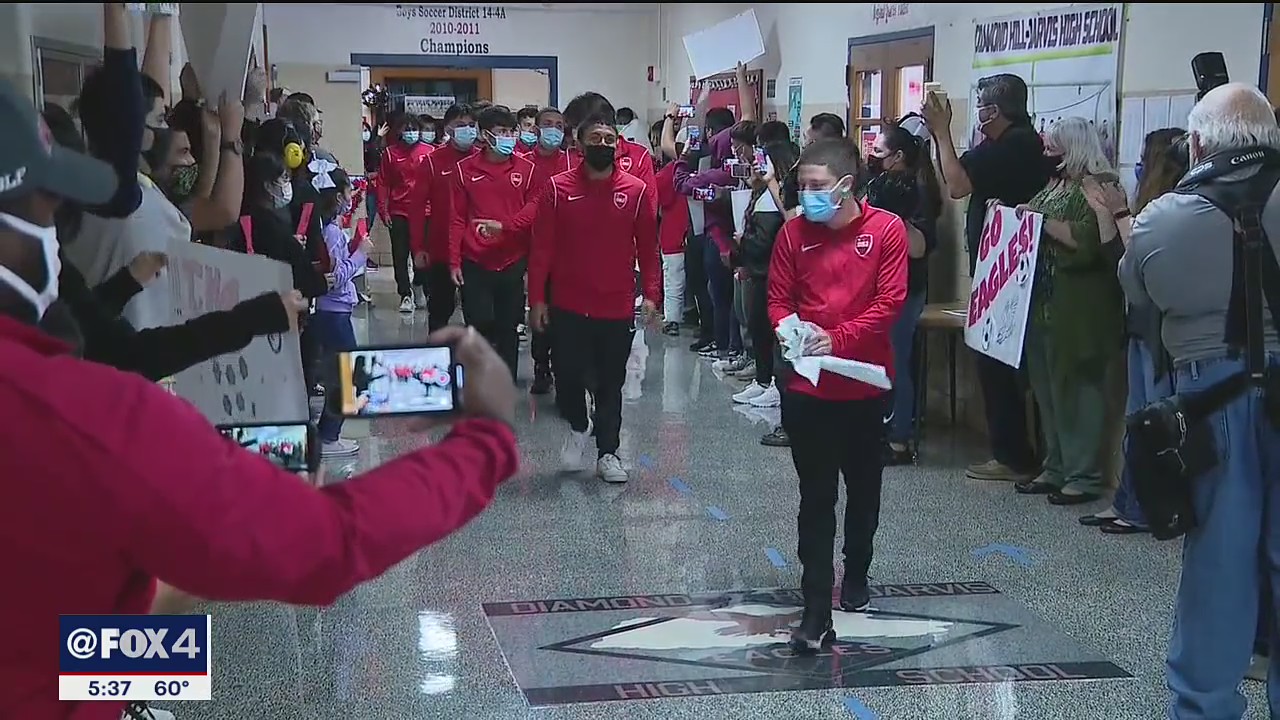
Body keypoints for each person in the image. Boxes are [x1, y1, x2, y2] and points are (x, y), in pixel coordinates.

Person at [0, 73, 522, 720]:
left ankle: (134, 687)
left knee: (150, 608)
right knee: (161, 595)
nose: (58, 240)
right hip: (51, 682)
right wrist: (487, 441)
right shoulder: (81, 416)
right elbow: (325, 546)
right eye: (48, 215)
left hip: (49, 661)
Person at [1119, 83, 1280, 717]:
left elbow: (1137, 300)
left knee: (1219, 564)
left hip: (1211, 409)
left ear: (1198, 144)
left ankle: (1205, 706)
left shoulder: (1164, 218)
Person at [766, 138, 907, 652]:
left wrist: (838, 338)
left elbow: (889, 303)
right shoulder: (793, 234)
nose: (806, 195)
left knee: (864, 487)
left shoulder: (885, 231)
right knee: (816, 495)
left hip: (866, 384)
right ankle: (815, 607)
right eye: (802, 186)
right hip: (808, 388)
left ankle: (857, 571)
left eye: (817, 186)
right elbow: (778, 298)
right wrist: (789, 331)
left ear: (847, 186)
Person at [923, 73, 1048, 482]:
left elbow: (956, 184)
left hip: (1011, 274)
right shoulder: (1003, 144)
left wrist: (941, 132)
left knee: (1000, 366)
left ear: (993, 110)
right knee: (999, 365)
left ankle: (1014, 456)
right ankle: (1016, 452)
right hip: (1000, 268)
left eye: (980, 105)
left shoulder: (1016, 145)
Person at [528, 112, 660, 484]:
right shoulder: (557, 188)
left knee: (609, 383)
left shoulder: (635, 191)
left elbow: (649, 249)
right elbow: (541, 250)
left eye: (609, 138)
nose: (602, 144)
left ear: (617, 144)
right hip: (567, 303)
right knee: (566, 376)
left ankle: (608, 452)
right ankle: (578, 423)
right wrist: (537, 299)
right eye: (595, 138)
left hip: (616, 305)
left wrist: (651, 294)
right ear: (579, 143)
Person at [1079, 128, 1187, 535]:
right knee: (1134, 417)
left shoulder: (1170, 210)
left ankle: (1147, 507)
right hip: (1139, 326)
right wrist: (1106, 212)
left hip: (1160, 331)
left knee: (1151, 420)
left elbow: (1147, 261)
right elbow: (1118, 260)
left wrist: (1122, 216)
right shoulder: (1145, 207)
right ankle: (1127, 501)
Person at [1012, 117, 1124, 505]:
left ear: (1073, 148)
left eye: (1052, 147)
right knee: (1047, 392)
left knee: (1079, 393)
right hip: (1044, 306)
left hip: (1082, 310)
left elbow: (1094, 242)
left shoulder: (1101, 186)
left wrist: (1040, 222)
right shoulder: (1054, 184)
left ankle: (1085, 474)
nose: (1046, 153)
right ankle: (1056, 464)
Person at [62, 4, 192, 331]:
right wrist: (116, 12)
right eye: (160, 120)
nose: (167, 130)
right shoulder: (111, 191)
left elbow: (145, 91)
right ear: (132, 126)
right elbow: (127, 103)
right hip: (124, 364)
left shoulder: (136, 185)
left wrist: (163, 16)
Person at [862, 118, 943, 464]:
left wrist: (895, 219)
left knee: (897, 361)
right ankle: (879, 427)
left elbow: (919, 247)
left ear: (896, 157)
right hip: (876, 288)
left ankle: (899, 439)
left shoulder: (916, 192)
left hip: (904, 290)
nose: (871, 155)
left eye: (878, 151)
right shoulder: (880, 184)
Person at [449, 105, 537, 380]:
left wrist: (509, 229)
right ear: (485, 135)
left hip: (512, 259)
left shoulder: (527, 168)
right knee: (478, 324)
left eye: (512, 131)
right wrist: (454, 260)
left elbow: (534, 206)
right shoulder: (464, 170)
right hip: (475, 259)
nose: (509, 137)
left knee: (508, 326)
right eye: (502, 132)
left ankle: (505, 381)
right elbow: (456, 218)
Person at [733, 139, 798, 409]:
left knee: (771, 333)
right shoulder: (762, 196)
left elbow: (767, 240)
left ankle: (772, 382)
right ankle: (762, 379)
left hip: (772, 274)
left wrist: (743, 243)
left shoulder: (778, 199)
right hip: (758, 273)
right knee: (757, 327)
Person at [313, 166, 371, 457]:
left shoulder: (327, 230)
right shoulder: (331, 232)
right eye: (349, 191)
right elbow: (336, 278)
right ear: (338, 197)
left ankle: (328, 432)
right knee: (347, 377)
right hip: (333, 312)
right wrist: (361, 255)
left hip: (331, 313)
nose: (352, 197)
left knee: (342, 374)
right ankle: (329, 435)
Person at [410, 102, 479, 332]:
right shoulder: (432, 161)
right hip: (440, 248)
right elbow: (417, 207)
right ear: (448, 129)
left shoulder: (482, 160)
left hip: (476, 250)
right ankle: (436, 359)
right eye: (460, 125)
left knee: (477, 314)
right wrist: (418, 247)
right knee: (440, 310)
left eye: (471, 125)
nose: (467, 130)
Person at [519, 106, 572, 394]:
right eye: (547, 124)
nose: (553, 130)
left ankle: (564, 368)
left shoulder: (572, 163)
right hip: (531, 249)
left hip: (567, 252)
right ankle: (541, 367)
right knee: (539, 309)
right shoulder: (523, 164)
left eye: (559, 125)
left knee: (562, 312)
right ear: (536, 129)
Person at [378, 111, 431, 313]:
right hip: (399, 211)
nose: (410, 133)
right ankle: (405, 294)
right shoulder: (391, 154)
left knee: (423, 255)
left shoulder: (429, 152)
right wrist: (383, 210)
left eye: (414, 129)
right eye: (406, 129)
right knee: (400, 255)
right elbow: (383, 183)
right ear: (399, 131)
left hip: (425, 212)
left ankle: (419, 285)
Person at [655, 106, 692, 337]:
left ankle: (672, 319)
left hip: (673, 234)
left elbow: (657, 204)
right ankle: (683, 315)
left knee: (674, 280)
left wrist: (670, 117)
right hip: (692, 234)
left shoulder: (667, 173)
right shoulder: (702, 168)